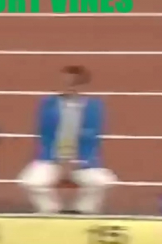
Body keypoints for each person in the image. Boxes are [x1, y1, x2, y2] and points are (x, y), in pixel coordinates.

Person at [18, 65, 117, 214]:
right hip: (51, 160)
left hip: (82, 161)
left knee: (104, 182)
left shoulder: (94, 107)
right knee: (30, 182)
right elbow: (44, 134)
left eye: (73, 83)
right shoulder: (47, 104)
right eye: (65, 82)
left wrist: (77, 161)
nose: (69, 86)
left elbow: (93, 136)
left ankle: (83, 211)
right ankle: (51, 211)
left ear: (83, 85)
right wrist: (59, 160)